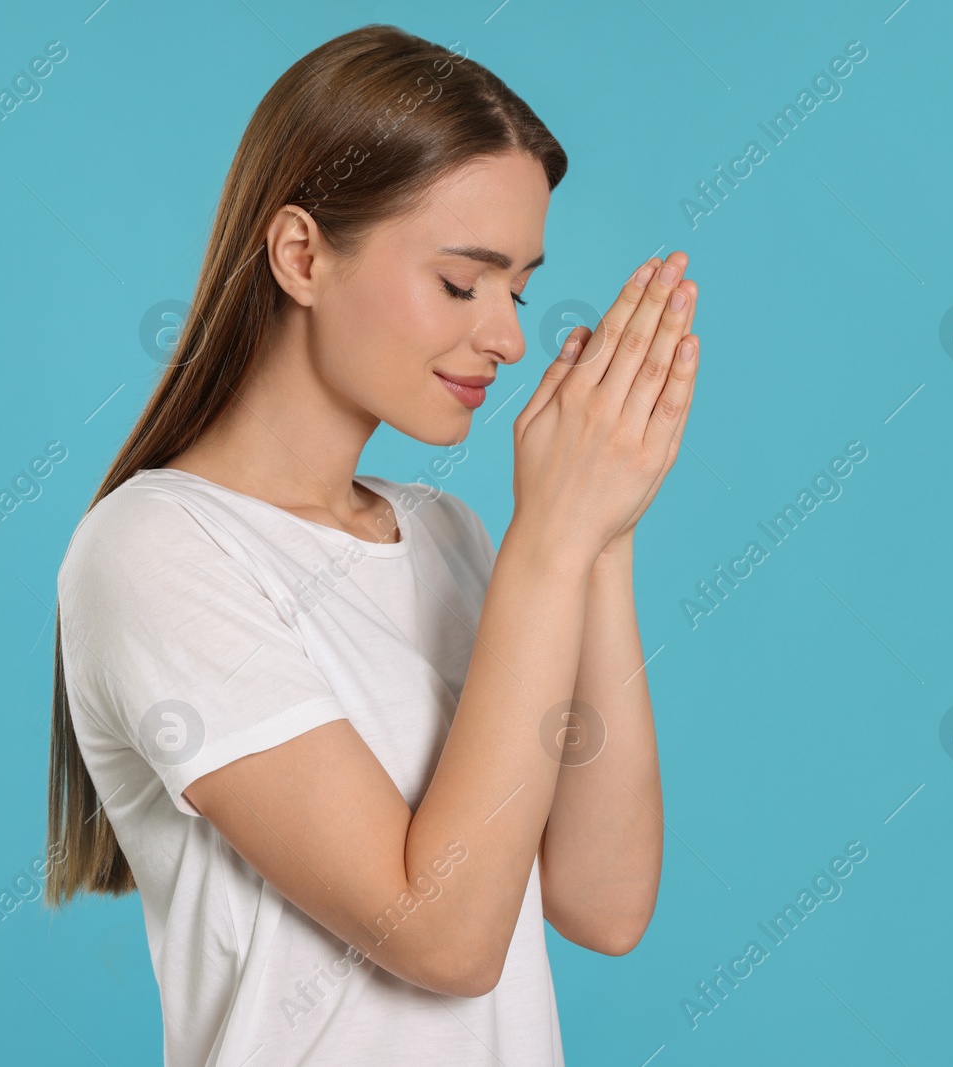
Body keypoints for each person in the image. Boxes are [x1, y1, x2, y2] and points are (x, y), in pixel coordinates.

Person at [45, 22, 699, 1066]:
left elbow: (603, 900)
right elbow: (438, 933)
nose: (509, 335)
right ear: (301, 255)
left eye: (518, 287)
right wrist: (548, 542)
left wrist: (597, 534)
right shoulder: (154, 549)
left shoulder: (452, 536)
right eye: (460, 281)